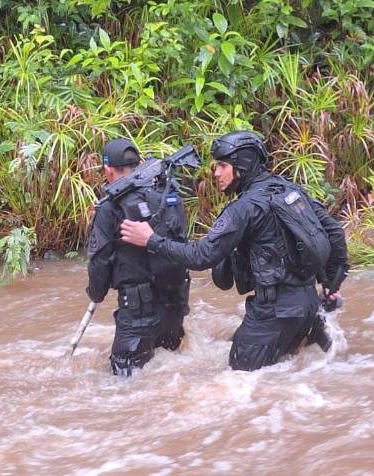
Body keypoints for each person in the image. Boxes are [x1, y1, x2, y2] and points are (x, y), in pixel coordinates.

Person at [120, 130, 348, 371]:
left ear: (243, 165)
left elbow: (201, 256)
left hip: (273, 314)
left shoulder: (243, 209)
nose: (215, 173)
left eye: (221, 165)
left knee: (237, 379)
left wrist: (151, 240)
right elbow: (334, 231)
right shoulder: (289, 190)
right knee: (288, 374)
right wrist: (331, 285)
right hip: (309, 307)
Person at [86, 138, 190, 376]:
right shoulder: (169, 195)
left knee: (123, 385)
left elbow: (99, 262)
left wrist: (96, 292)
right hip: (174, 307)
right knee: (171, 374)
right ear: (140, 164)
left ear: (107, 170)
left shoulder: (109, 207)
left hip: (137, 315)